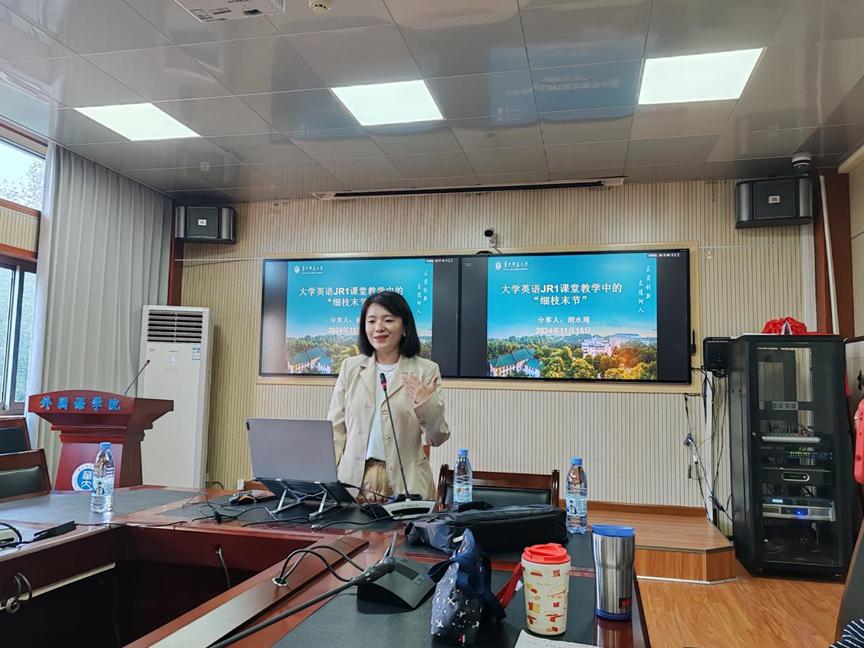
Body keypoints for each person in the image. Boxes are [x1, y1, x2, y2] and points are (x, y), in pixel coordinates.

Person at [327, 291, 450, 501]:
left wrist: (426, 402)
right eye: (371, 321)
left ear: (405, 327)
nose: (378, 327)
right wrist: (328, 480)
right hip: (353, 483)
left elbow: (437, 437)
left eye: (388, 320)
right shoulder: (351, 368)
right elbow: (335, 430)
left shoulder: (426, 371)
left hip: (407, 485)